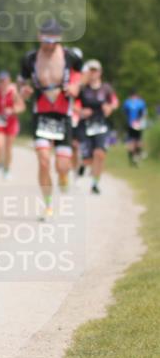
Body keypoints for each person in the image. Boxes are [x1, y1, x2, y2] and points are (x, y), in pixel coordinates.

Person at [18, 18, 82, 219]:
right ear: (39, 37)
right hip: (41, 113)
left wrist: (75, 88)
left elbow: (80, 79)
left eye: (53, 41)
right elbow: (20, 82)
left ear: (59, 39)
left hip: (63, 114)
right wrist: (24, 91)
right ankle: (47, 206)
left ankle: (64, 174)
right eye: (45, 40)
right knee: (43, 160)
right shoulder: (29, 59)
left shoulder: (71, 57)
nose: (49, 45)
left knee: (62, 165)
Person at [77, 60, 119, 194]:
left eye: (95, 70)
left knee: (99, 154)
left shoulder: (106, 88)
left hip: (101, 124)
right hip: (85, 125)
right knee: (88, 159)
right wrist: (80, 111)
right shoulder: (82, 88)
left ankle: (95, 184)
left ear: (100, 72)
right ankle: (83, 164)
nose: (92, 73)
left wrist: (110, 107)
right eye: (90, 70)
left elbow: (114, 101)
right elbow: (72, 103)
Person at [0, 70, 24, 180]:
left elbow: (21, 106)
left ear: (9, 80)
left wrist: (12, 110)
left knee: (8, 147)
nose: (2, 83)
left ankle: (7, 169)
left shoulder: (14, 90)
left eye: (4, 80)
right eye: (0, 81)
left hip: (11, 121)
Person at [122, 88, 147, 166]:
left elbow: (125, 112)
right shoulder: (141, 102)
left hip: (130, 124)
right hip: (138, 124)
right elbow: (143, 113)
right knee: (138, 141)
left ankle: (132, 159)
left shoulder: (127, 102)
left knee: (131, 141)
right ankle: (137, 155)